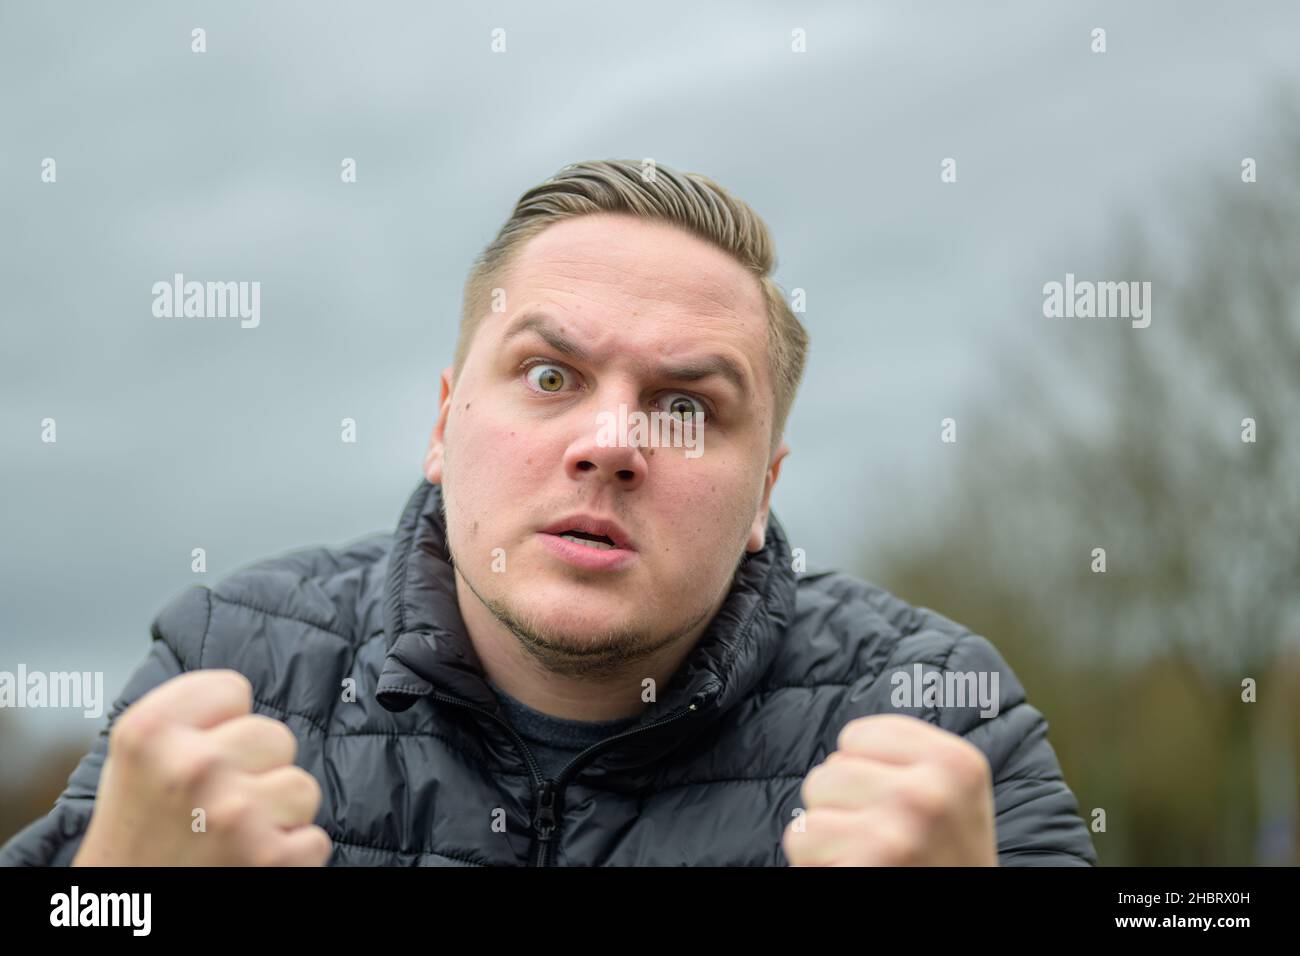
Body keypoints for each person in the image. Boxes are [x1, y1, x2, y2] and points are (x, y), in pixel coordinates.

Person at [0, 159, 1097, 867]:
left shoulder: (942, 721)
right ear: (442, 426)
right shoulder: (221, 667)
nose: (612, 444)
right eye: (549, 376)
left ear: (763, 491)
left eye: (685, 406)